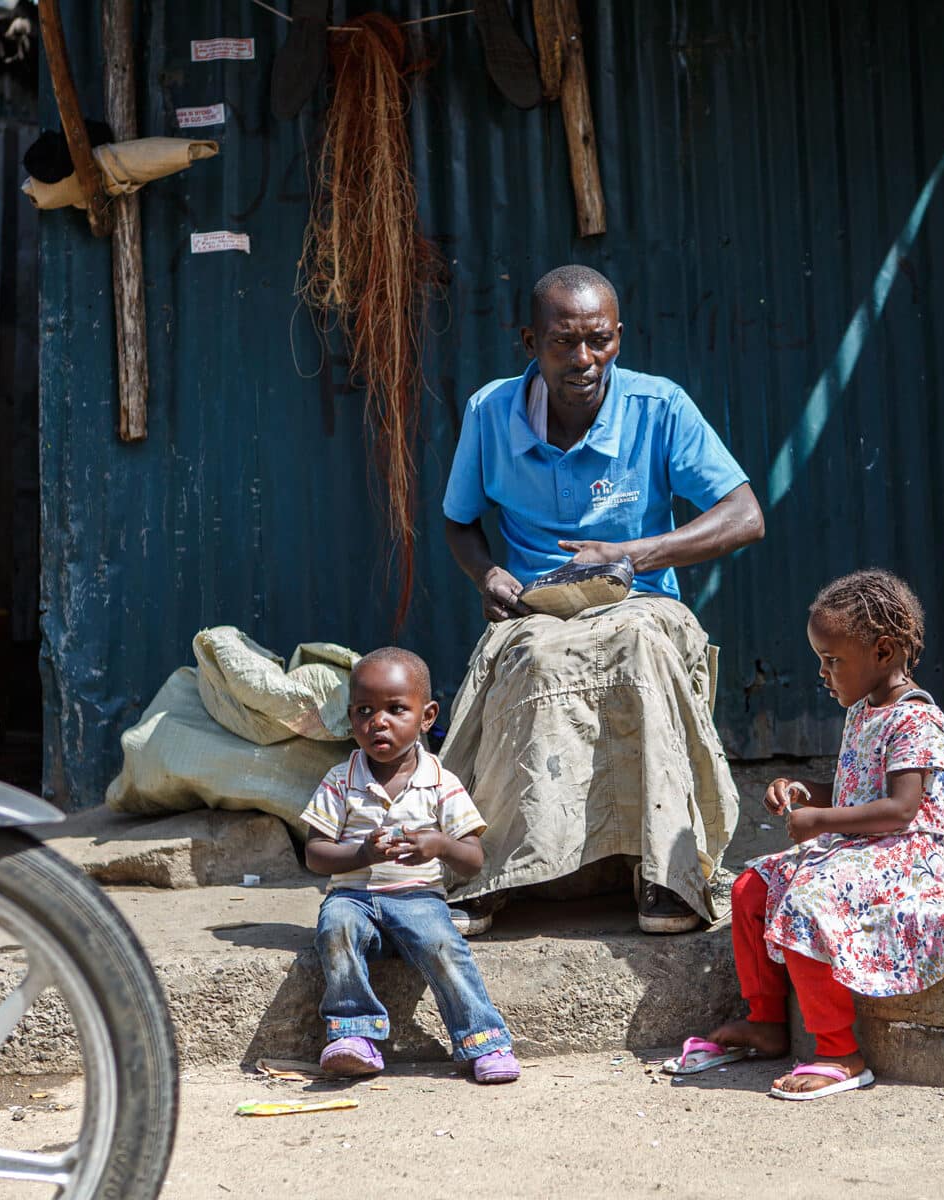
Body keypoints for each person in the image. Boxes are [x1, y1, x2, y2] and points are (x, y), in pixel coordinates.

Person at [440, 264, 765, 935]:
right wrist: (488, 577)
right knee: (527, 654)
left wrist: (634, 556)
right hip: (538, 606)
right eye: (564, 342)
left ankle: (667, 873)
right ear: (530, 340)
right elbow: (458, 521)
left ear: (619, 337)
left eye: (601, 340)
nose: (585, 359)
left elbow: (745, 514)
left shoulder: (659, 406)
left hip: (642, 599)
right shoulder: (490, 412)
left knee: (639, 646)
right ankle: (490, 869)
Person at [663, 569, 944, 1100]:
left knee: (808, 901)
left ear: (882, 651)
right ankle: (766, 1020)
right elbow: (856, 789)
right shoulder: (863, 709)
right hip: (866, 843)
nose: (823, 673)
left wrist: (820, 823)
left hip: (914, 853)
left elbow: (902, 809)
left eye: (833, 660)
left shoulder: (918, 720)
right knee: (751, 888)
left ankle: (840, 1051)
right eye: (820, 659)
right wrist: (805, 792)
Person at [301, 647, 520, 1084]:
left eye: (396, 709)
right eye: (364, 711)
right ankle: (353, 1034)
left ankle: (484, 1040)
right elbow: (315, 853)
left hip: (418, 898)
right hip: (354, 898)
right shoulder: (339, 781)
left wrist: (438, 844)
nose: (378, 722)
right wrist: (361, 854)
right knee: (335, 927)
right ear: (351, 719)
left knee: (444, 944)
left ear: (427, 716)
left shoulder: (442, 782)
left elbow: (474, 859)